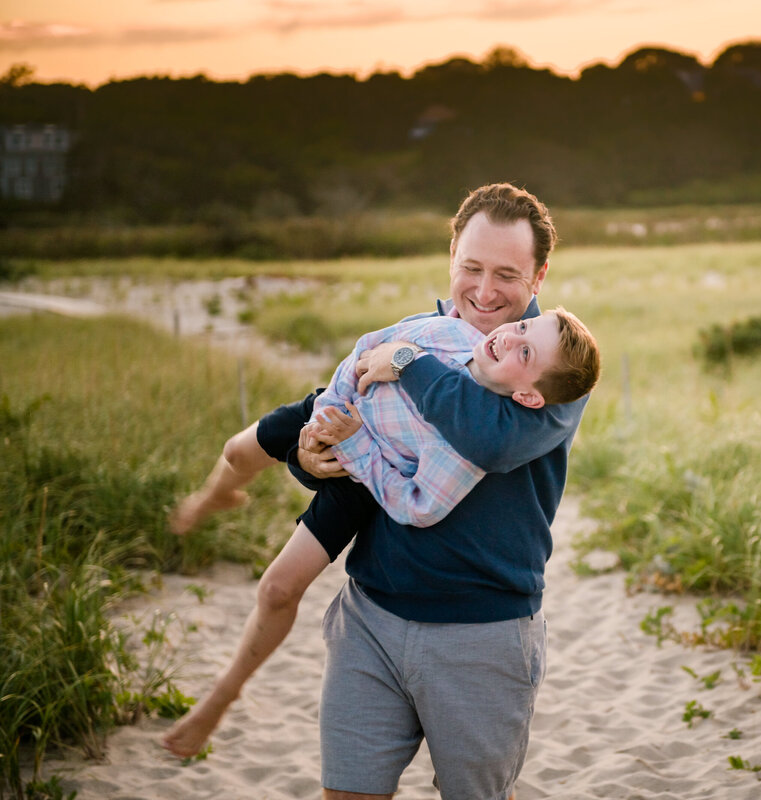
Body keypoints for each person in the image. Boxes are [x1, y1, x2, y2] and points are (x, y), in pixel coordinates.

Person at [162, 306, 599, 759]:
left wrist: (351, 447)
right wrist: (322, 421)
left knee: (277, 587)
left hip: (367, 466)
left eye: (525, 349)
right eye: (522, 328)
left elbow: (419, 503)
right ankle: (214, 497)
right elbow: (367, 348)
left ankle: (221, 698)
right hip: (337, 406)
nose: (509, 335)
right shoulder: (448, 331)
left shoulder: (483, 433)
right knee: (236, 451)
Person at [290, 184, 588, 800]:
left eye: (507, 274)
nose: (484, 291)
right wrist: (310, 452)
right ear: (452, 254)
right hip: (370, 617)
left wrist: (406, 362)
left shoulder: (554, 367)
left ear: (539, 275)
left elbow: (488, 438)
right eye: (471, 267)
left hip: (481, 634)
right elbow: (345, 413)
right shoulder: (416, 334)